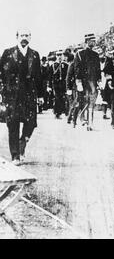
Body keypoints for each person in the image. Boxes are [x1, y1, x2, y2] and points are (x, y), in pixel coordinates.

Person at [0, 28, 43, 165]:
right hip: (12, 95)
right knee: (13, 124)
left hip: (29, 94)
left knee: (30, 123)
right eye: (22, 35)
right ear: (17, 37)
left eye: (27, 35)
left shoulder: (35, 55)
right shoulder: (8, 53)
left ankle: (22, 143)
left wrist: (41, 95)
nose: (24, 38)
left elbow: (39, 77)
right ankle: (15, 156)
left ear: (30, 37)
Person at [74, 33, 101, 131]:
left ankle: (90, 122)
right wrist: (78, 82)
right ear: (86, 41)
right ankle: (82, 119)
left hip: (93, 82)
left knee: (91, 102)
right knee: (83, 101)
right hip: (83, 82)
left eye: (94, 40)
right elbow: (77, 69)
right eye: (91, 40)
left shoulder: (96, 55)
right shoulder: (80, 54)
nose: (93, 42)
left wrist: (99, 80)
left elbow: (98, 69)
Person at [49, 50, 68, 119]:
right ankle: (57, 113)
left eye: (60, 55)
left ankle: (65, 112)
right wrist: (49, 86)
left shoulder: (66, 65)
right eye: (58, 55)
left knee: (64, 98)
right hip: (56, 84)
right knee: (57, 98)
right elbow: (50, 77)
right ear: (56, 56)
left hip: (63, 84)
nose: (59, 57)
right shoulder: (53, 65)